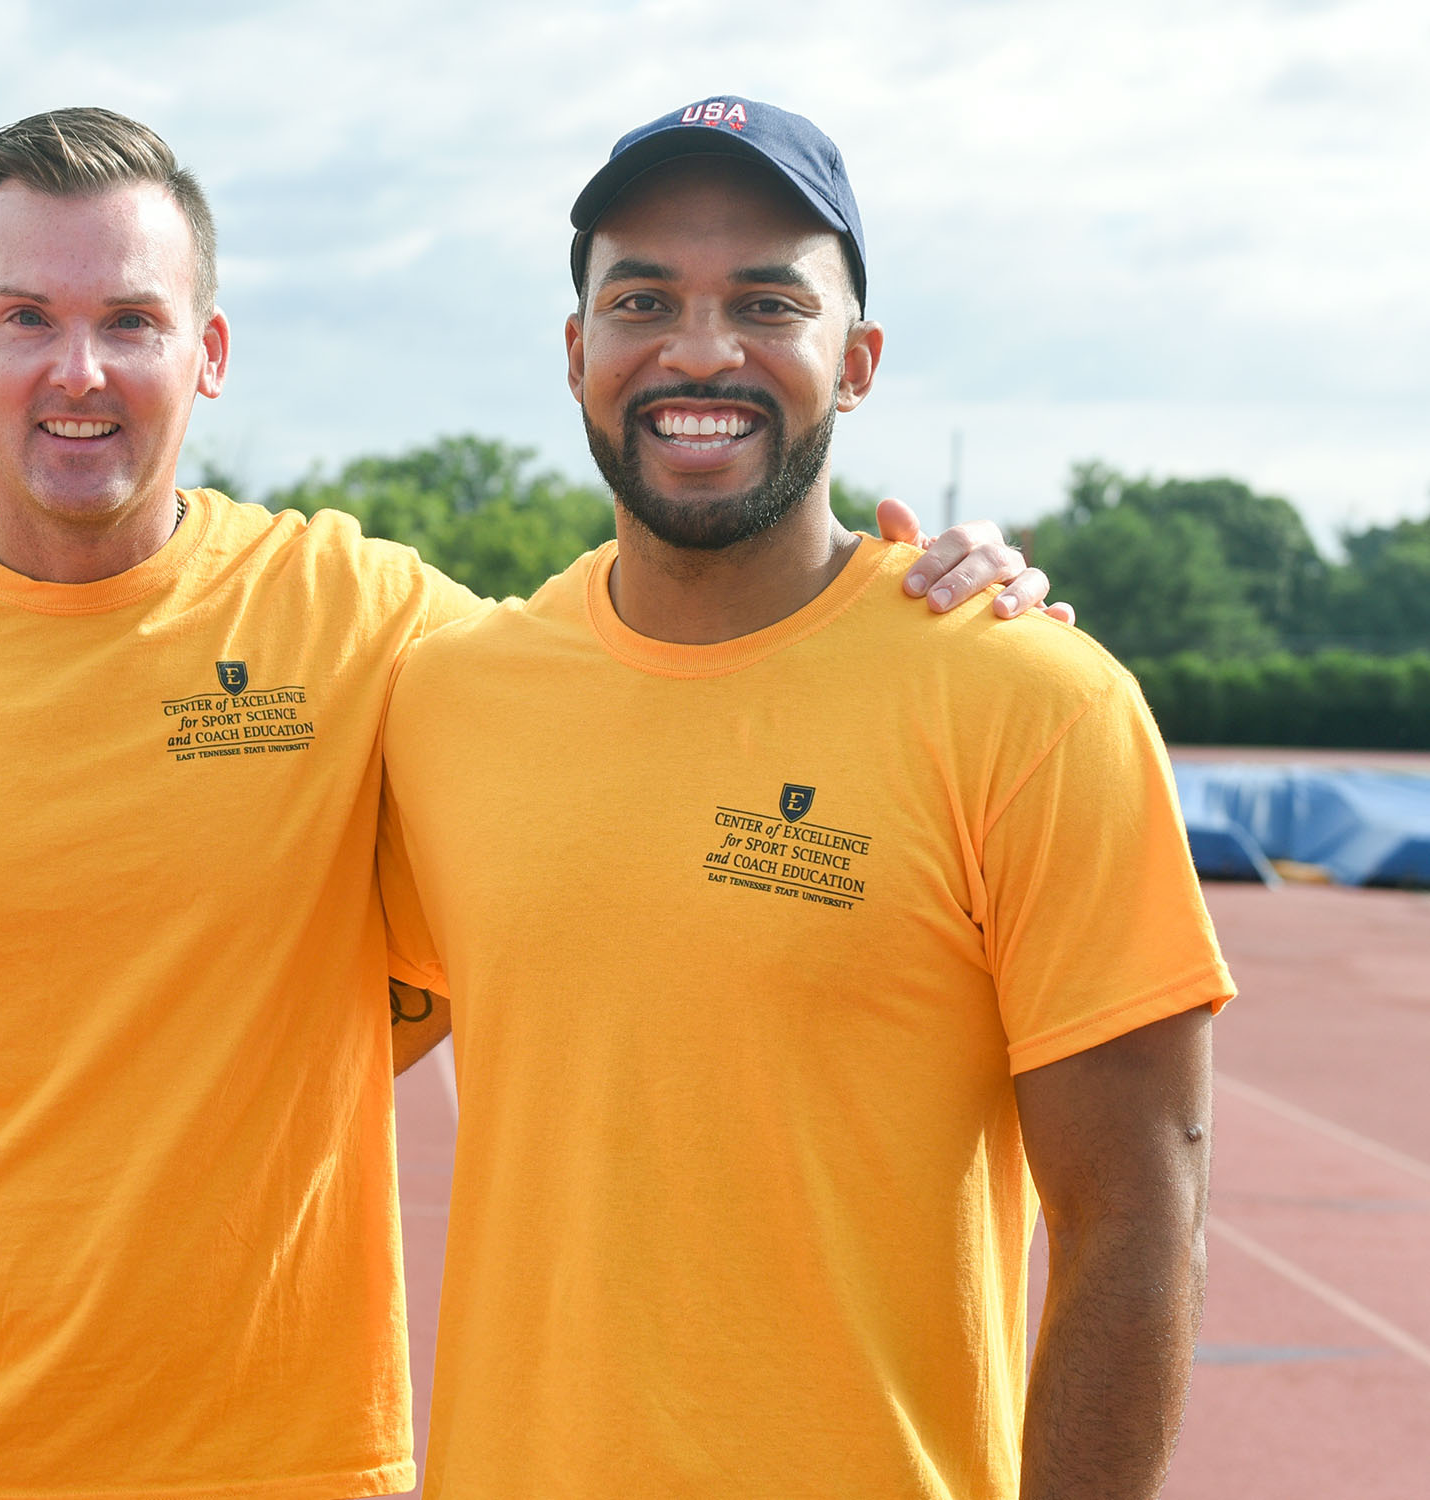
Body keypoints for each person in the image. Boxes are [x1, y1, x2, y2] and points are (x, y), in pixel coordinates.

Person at [0, 106, 1059, 1500]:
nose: (79, 371)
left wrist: (904, 604)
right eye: (27, 316)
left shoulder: (368, 620)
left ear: (207, 355)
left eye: (133, 322)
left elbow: (660, 657)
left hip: (280, 1474)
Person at [380, 96, 1232, 1499]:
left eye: (767, 302)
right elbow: (298, 1027)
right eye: (643, 297)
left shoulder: (1033, 701)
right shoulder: (450, 697)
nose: (700, 350)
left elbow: (1139, 1215)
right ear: (577, 349)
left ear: (859, 359)